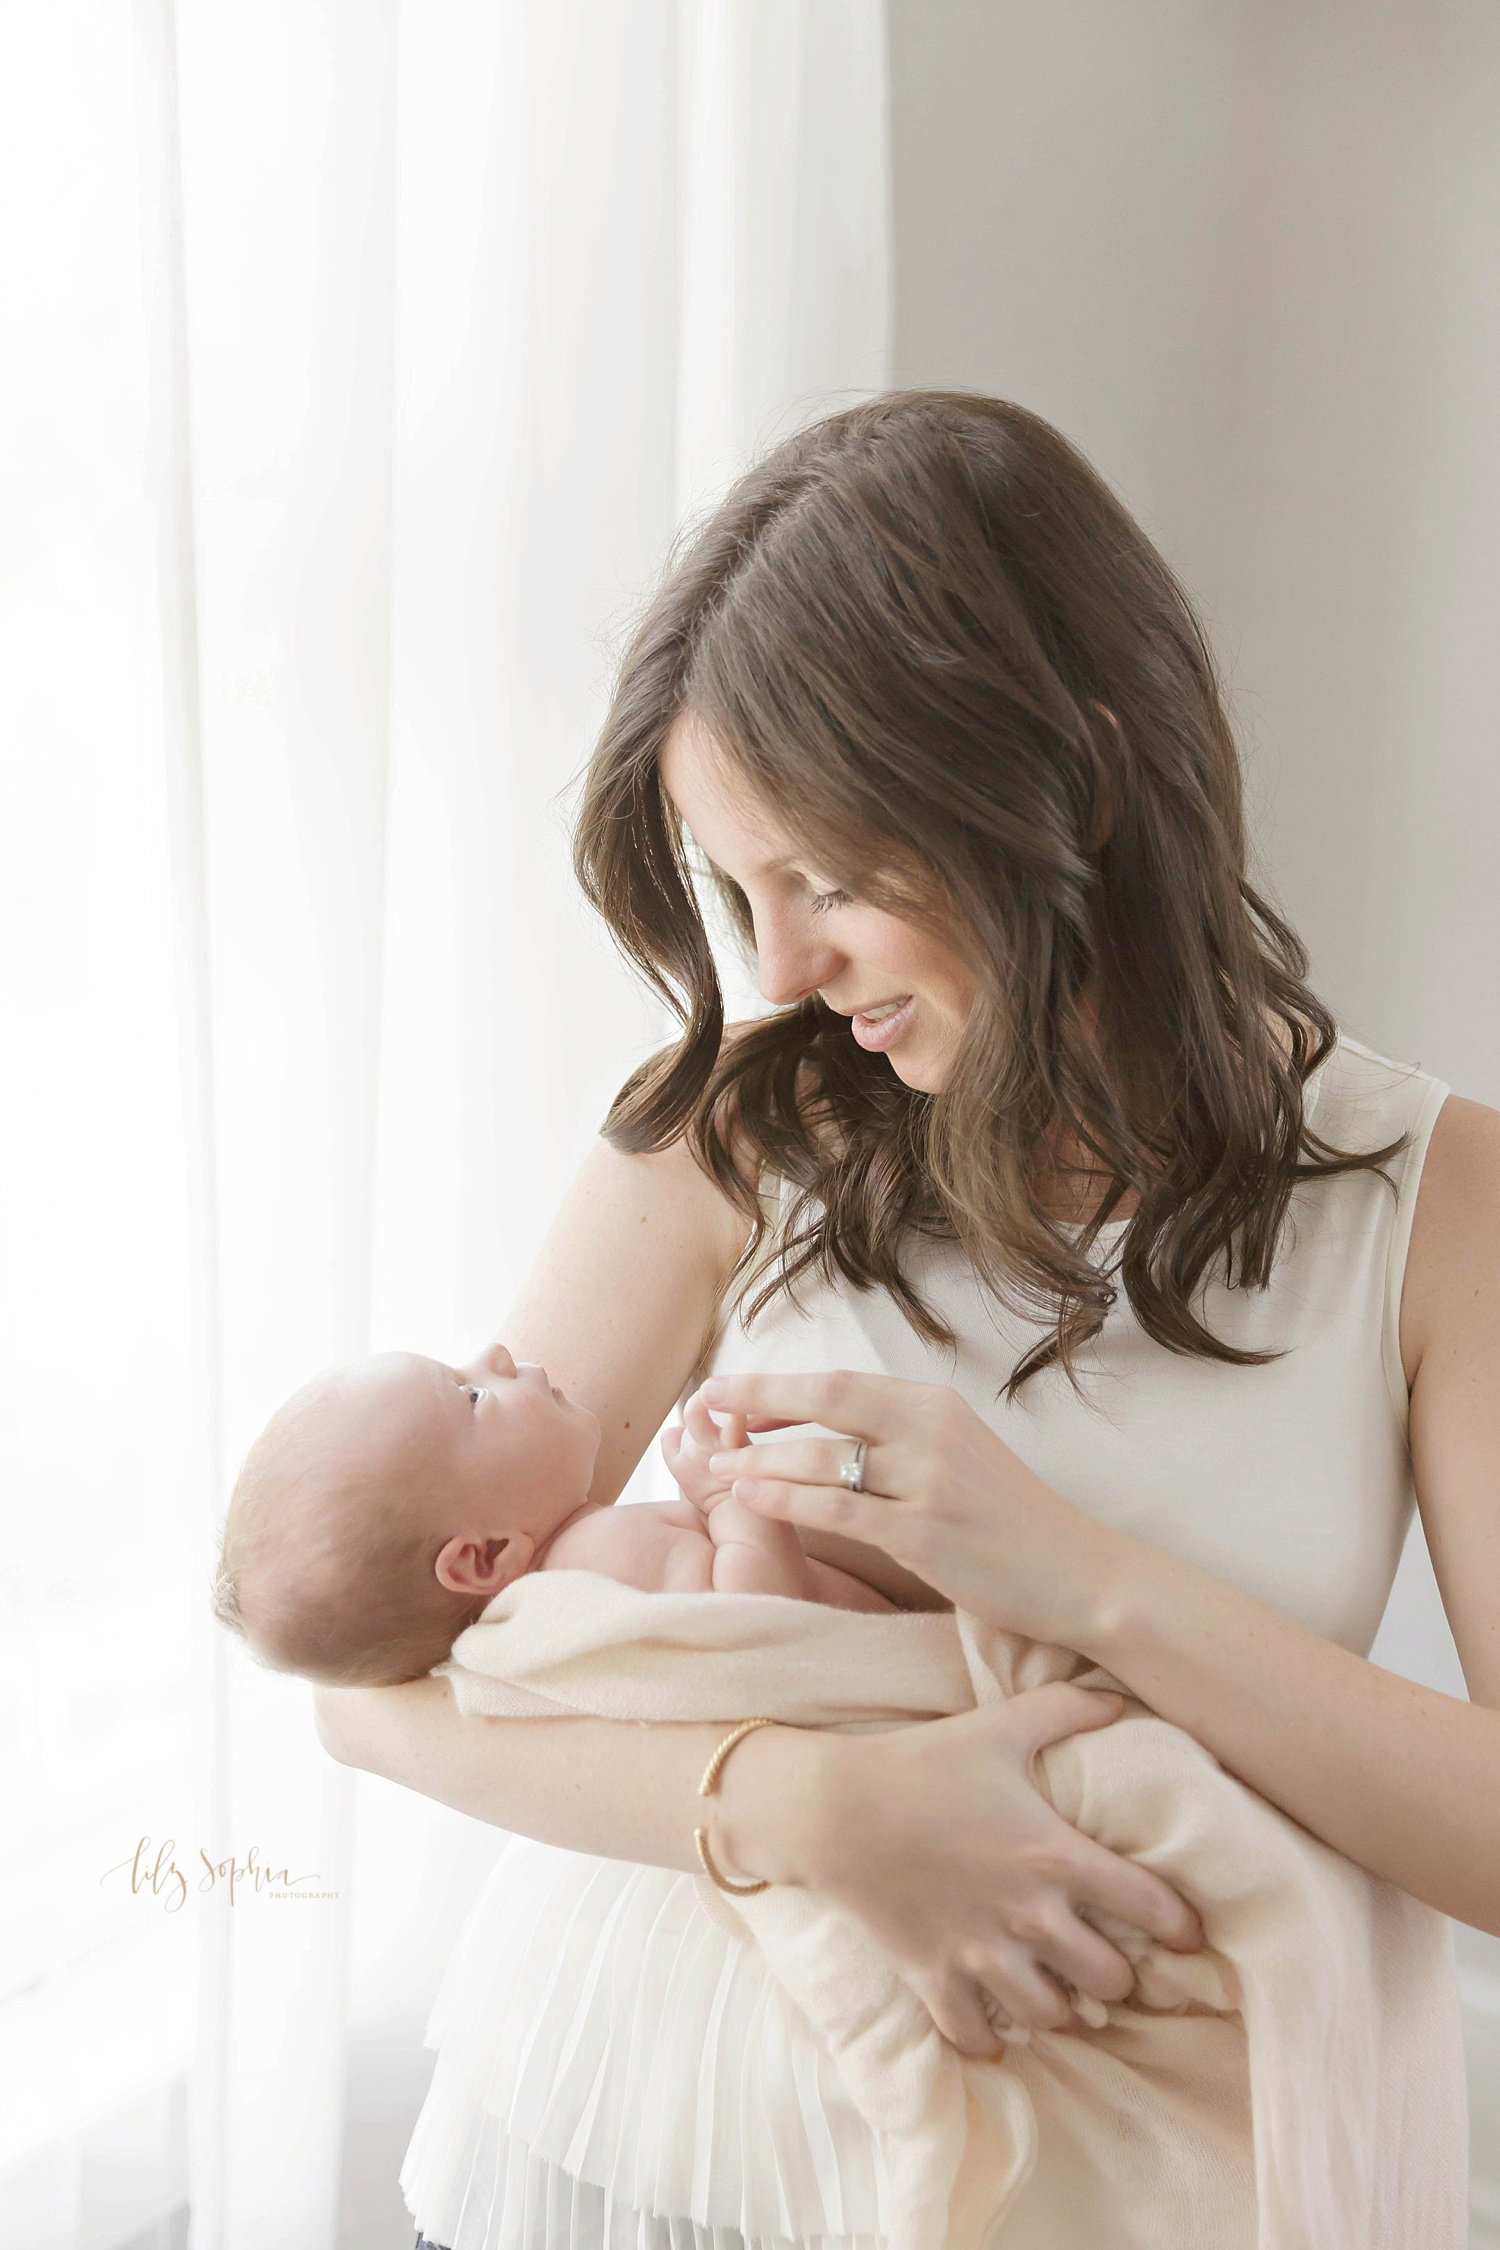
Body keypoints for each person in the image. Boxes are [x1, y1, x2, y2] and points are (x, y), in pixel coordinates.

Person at [312, 392, 1500, 2250]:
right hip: (661, 2157)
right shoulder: (731, 1131)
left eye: (835, 880)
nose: (775, 970)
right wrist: (803, 1807)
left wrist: (1074, 1579)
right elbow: (372, 1690)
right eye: (741, 889)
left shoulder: (1446, 1206)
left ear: (1078, 788)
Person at [211, 1350, 892, 1690]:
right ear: (484, 1557)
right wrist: (726, 1500)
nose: (498, 1356)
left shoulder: (557, 1605)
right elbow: (761, 1625)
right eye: (471, 1394)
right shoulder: (599, 1557)